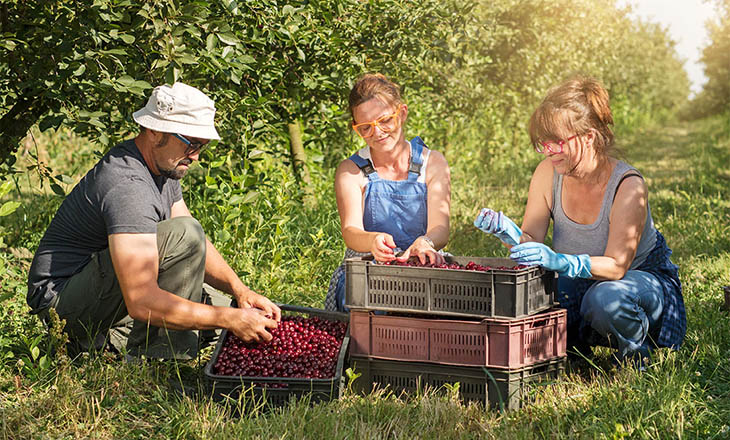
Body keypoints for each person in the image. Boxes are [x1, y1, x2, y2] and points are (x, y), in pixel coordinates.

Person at [27, 82, 281, 359]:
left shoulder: (164, 165)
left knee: (227, 310)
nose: (195, 156)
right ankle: (155, 363)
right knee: (218, 314)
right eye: (191, 143)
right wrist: (226, 319)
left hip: (106, 288)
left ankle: (111, 341)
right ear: (154, 130)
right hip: (64, 307)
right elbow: (141, 300)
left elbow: (196, 246)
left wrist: (239, 290)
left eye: (202, 146)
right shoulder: (128, 187)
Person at [474, 76, 685, 365]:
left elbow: (616, 266)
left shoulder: (627, 185)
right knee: (538, 290)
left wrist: (564, 262)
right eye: (543, 143)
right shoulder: (548, 174)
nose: (549, 151)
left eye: (557, 142)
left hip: (634, 285)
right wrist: (509, 233)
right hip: (578, 283)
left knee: (605, 300)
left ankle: (637, 355)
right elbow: (531, 239)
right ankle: (574, 353)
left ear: (589, 136)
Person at [324, 73, 451, 312]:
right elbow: (351, 231)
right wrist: (371, 241)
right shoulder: (351, 170)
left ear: (401, 113)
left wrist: (425, 242)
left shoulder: (432, 163)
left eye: (385, 121)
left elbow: (441, 228)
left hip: (422, 267)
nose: (377, 132)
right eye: (365, 128)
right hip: (369, 272)